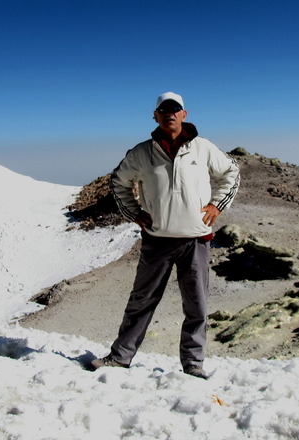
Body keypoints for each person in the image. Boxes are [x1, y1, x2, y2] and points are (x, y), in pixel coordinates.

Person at [90, 92, 240, 379]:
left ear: (184, 114)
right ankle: (120, 357)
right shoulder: (142, 152)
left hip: (196, 239)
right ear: (155, 115)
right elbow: (118, 183)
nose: (170, 113)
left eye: (176, 109)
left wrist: (216, 205)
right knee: (142, 300)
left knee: (197, 305)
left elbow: (231, 173)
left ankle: (193, 363)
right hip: (157, 240)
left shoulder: (203, 148)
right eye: (164, 109)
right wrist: (134, 213)